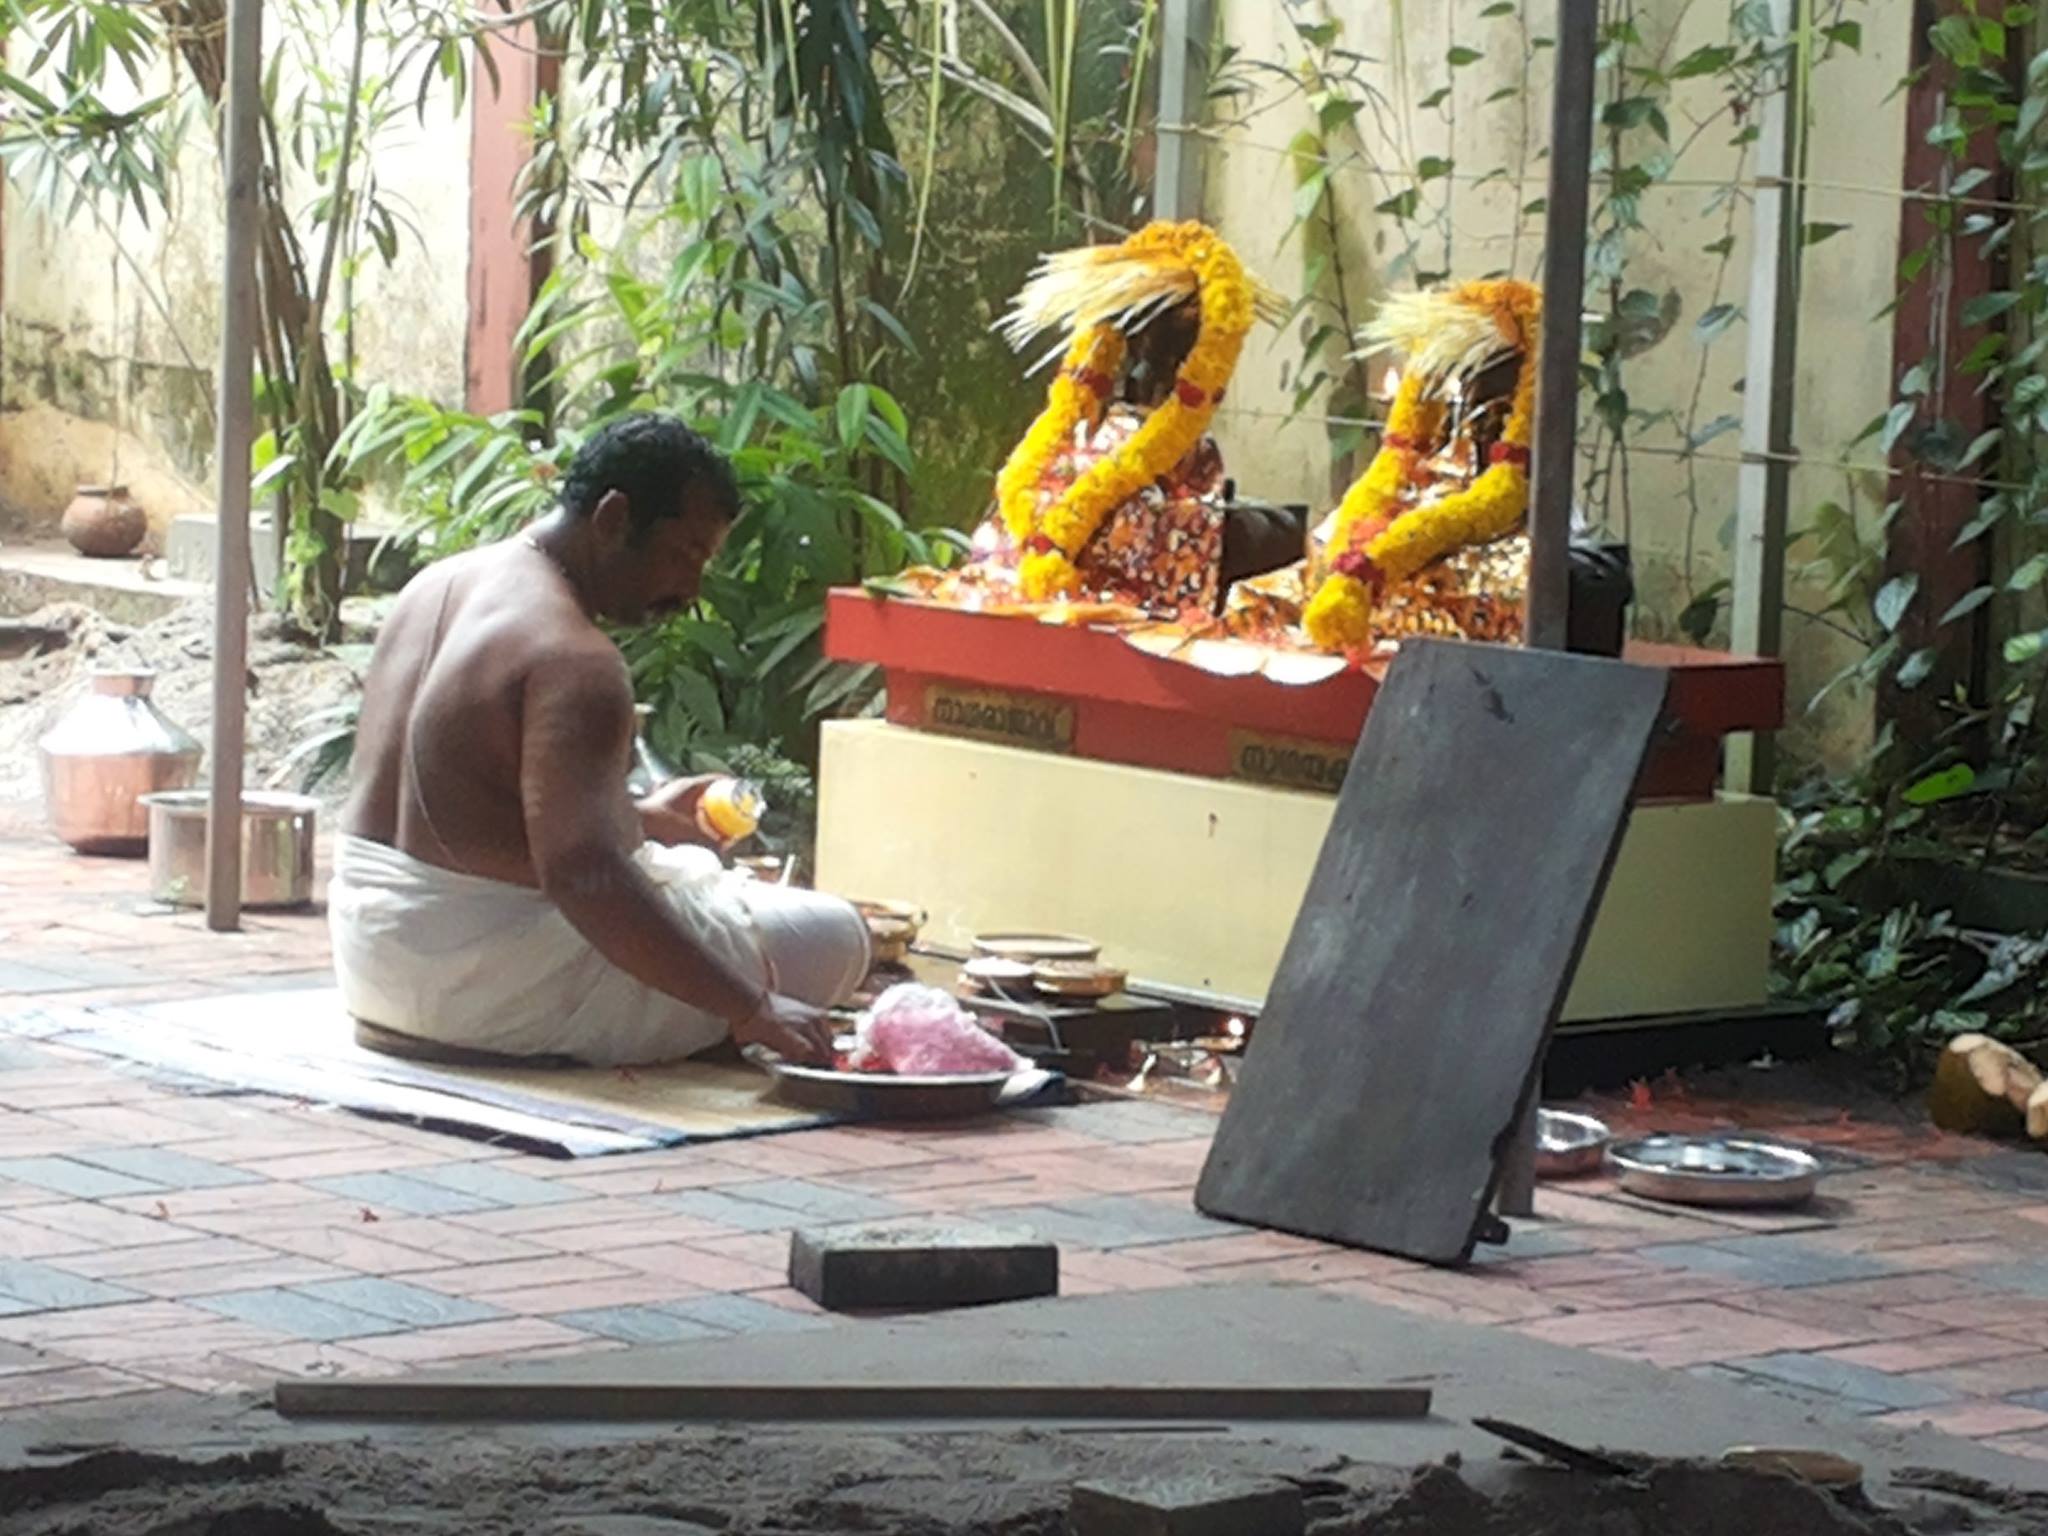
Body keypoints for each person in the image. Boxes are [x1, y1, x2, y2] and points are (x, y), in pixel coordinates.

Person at [329, 413, 868, 1068]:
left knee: (719, 901)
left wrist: (647, 819)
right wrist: (749, 1008)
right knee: (836, 934)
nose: (690, 590)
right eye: (684, 555)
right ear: (613, 517)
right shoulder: (574, 657)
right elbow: (584, 875)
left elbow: (467, 800)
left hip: (371, 959)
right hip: (479, 995)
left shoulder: (434, 585)